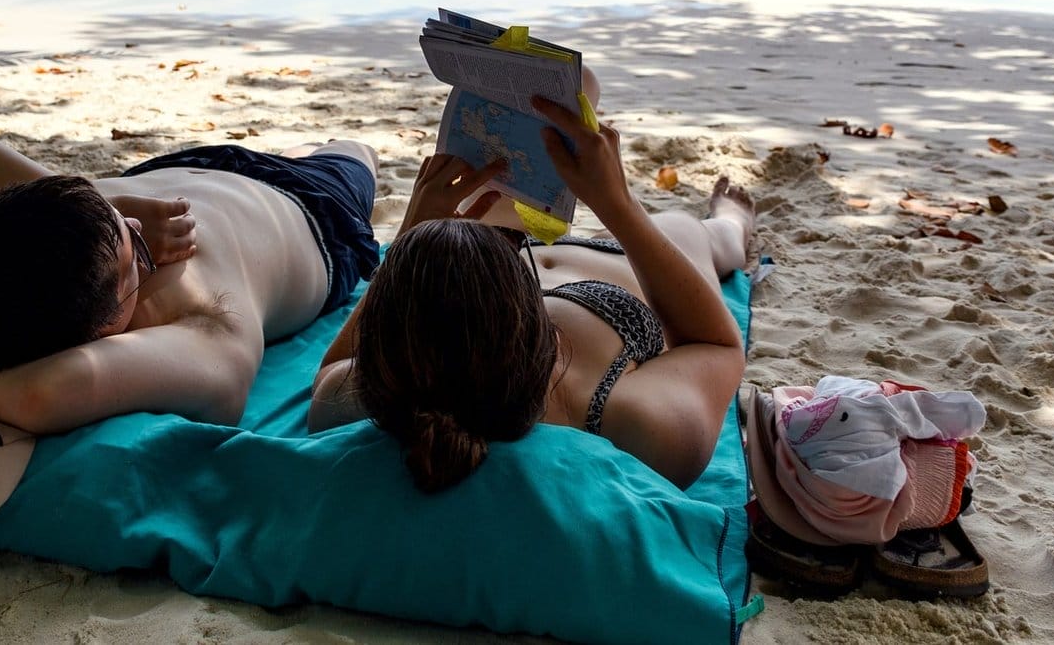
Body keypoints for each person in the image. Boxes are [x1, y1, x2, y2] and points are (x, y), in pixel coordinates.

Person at [308, 94, 751, 493]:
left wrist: (412, 236)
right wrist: (620, 207)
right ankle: (732, 222)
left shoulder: (360, 399)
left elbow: (333, 368)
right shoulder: (635, 424)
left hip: (474, 277)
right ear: (548, 338)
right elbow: (717, 346)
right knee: (693, 231)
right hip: (626, 263)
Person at [0, 100, 380, 434]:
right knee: (357, 148)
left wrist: (108, 198)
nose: (142, 228)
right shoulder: (208, 322)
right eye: (139, 254)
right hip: (308, 206)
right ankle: (317, 150)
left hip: (170, 169)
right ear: (105, 328)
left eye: (120, 220)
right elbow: (43, 393)